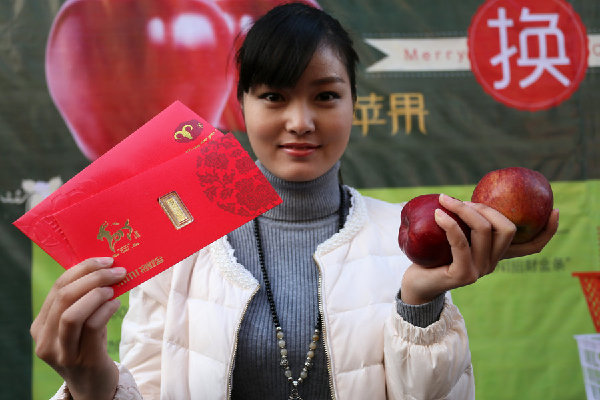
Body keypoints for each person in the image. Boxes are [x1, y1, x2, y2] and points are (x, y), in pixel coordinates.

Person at [31, 3, 559, 399]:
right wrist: (91, 381)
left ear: (355, 103)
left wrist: (421, 304)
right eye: (274, 96)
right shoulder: (184, 243)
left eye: (326, 96)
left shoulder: (409, 240)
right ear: (240, 103)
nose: (300, 122)